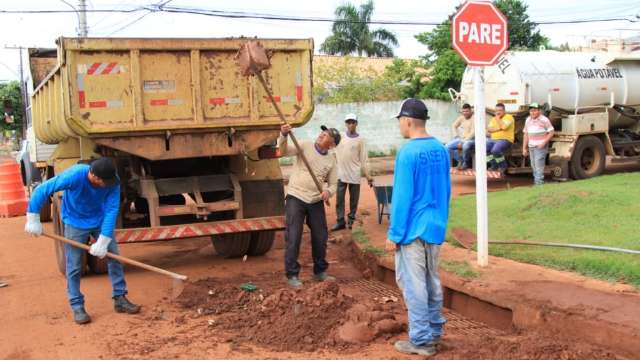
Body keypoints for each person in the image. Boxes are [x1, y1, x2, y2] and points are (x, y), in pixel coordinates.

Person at [24, 157, 140, 324]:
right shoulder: (74, 175)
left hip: (99, 220)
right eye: (103, 182)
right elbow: (43, 189)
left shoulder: (112, 180)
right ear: (93, 175)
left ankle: (120, 298)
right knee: (75, 265)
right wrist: (33, 216)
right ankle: (77, 306)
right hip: (75, 222)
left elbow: (112, 208)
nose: (107, 185)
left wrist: (104, 239)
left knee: (114, 257)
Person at [386, 99, 451, 357]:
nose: (400, 125)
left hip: (412, 229)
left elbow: (402, 197)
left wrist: (394, 234)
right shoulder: (441, 149)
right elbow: (445, 190)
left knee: (414, 285)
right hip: (435, 226)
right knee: (432, 282)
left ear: (408, 121)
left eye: (400, 120)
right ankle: (434, 333)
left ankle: (421, 341)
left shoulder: (407, 152)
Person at [278, 124, 340, 289]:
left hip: (315, 201)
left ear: (332, 144)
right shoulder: (304, 145)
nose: (321, 135)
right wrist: (283, 135)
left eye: (327, 135)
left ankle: (320, 271)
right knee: (294, 236)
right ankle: (292, 274)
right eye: (322, 133)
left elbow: (334, 184)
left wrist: (328, 192)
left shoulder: (331, 160)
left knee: (321, 236)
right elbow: (283, 152)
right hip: (295, 197)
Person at [332, 113, 373, 231]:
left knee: (353, 200)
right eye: (348, 122)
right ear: (346, 124)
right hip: (341, 174)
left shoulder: (361, 140)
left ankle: (350, 220)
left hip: (354, 174)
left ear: (356, 124)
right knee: (339, 199)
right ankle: (340, 221)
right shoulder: (340, 136)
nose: (350, 124)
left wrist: (368, 176)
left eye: (353, 122)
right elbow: (333, 151)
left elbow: (364, 159)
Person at [522, 103, 554, 185]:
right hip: (531, 146)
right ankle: (538, 182)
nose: (532, 112)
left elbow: (551, 132)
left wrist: (543, 143)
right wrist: (524, 148)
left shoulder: (544, 120)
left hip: (540, 146)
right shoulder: (528, 120)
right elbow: (526, 134)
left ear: (539, 111)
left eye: (535, 111)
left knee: (539, 165)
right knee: (533, 165)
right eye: (531, 111)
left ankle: (538, 184)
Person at [486, 103, 515, 172]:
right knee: (484, 148)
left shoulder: (509, 117)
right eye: (496, 111)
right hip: (493, 139)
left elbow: (504, 127)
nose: (498, 112)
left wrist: (498, 119)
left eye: (500, 110)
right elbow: (489, 129)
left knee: (495, 150)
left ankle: (503, 166)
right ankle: (494, 165)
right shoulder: (493, 119)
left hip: (505, 140)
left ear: (504, 111)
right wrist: (499, 128)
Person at [445, 103, 475, 170]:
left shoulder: (474, 118)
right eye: (463, 111)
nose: (465, 113)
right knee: (446, 147)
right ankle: (460, 160)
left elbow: (473, 133)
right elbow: (454, 125)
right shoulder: (461, 118)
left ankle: (466, 163)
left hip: (472, 140)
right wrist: (456, 135)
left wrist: (463, 141)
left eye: (467, 111)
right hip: (462, 139)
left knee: (466, 145)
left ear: (470, 111)